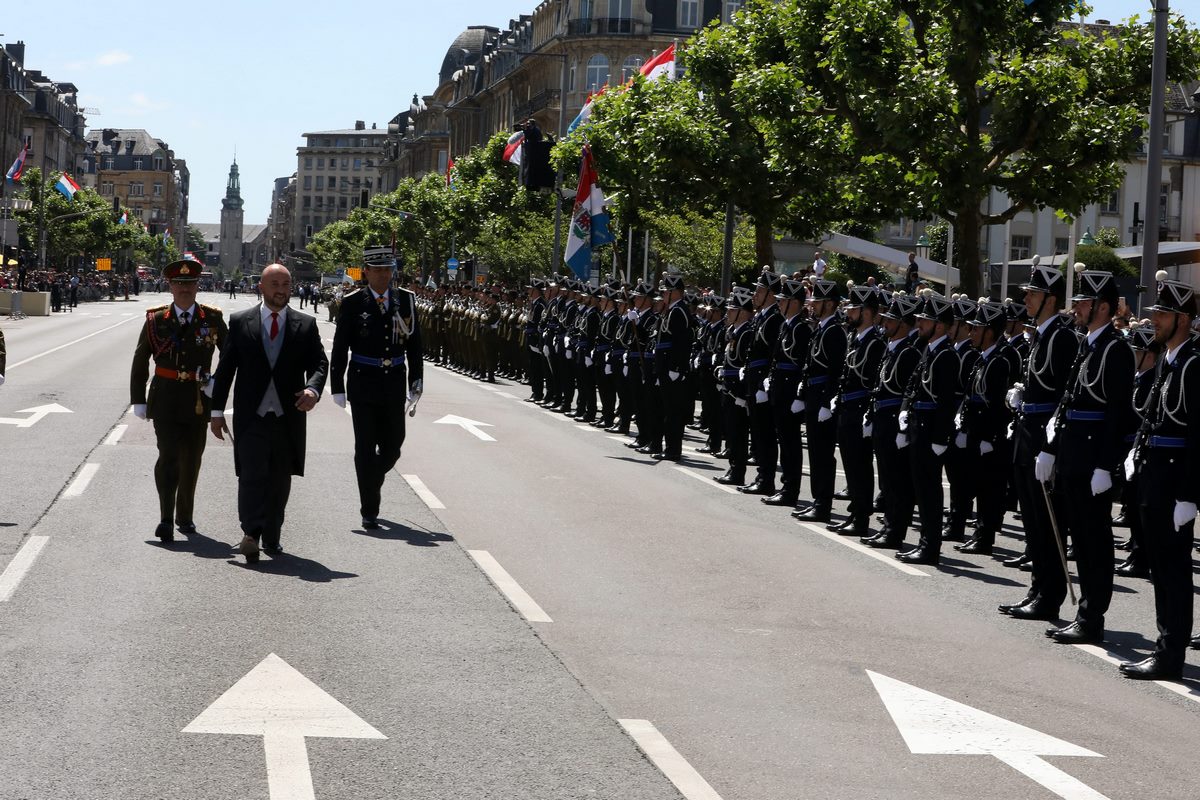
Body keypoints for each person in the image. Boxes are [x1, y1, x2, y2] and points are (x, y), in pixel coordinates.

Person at [1039, 269, 1135, 645]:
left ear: (1103, 307)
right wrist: (1051, 444)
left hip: (1093, 456)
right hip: (1073, 452)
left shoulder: (1115, 348)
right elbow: (1070, 397)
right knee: (1079, 535)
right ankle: (1083, 614)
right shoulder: (1088, 344)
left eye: (1083, 302)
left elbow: (1117, 413)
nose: (1076, 307)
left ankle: (1092, 616)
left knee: (1095, 542)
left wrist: (1105, 465)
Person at [209, 263, 328, 562]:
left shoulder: (305, 324)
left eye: (286, 284)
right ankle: (250, 533)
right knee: (251, 475)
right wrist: (216, 411)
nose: (281, 290)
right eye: (275, 283)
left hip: (288, 416)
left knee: (279, 479)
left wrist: (313, 389)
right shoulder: (240, 322)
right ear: (261, 287)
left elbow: (319, 363)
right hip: (252, 416)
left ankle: (272, 535)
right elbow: (224, 371)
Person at [1119, 279, 1200, 681]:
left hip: (1174, 480)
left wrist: (1189, 494)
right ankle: (1164, 645)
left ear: (1183, 319)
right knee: (1159, 568)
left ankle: (1170, 653)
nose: (1154, 322)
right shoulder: (1167, 360)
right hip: (1154, 471)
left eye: (1163, 315)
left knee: (1173, 570)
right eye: (1153, 315)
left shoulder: (1193, 364)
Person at [998, 262, 1079, 621]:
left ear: (1051, 298)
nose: (1026, 299)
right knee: (1032, 518)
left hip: (1044, 435)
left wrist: (1051, 446)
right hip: (1027, 431)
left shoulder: (1061, 337)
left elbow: (1063, 395)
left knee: (1048, 523)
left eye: (1033, 294)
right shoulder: (1042, 335)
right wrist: (1021, 393)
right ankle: (1037, 588)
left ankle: (1050, 596)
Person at [130, 259, 228, 543]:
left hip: (199, 397)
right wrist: (138, 399)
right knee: (169, 457)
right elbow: (140, 360)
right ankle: (166, 518)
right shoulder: (155, 319)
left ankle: (186, 515)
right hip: (166, 397)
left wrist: (216, 383)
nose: (184, 289)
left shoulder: (211, 318)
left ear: (198, 286)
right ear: (170, 286)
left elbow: (231, 355)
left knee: (192, 459)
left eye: (190, 284)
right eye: (179, 284)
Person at [330, 247, 423, 528]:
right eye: (378, 270)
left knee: (393, 447)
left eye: (388, 270)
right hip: (363, 381)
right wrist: (337, 385)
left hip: (394, 380)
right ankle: (369, 507)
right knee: (366, 447)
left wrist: (416, 382)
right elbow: (340, 346)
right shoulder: (353, 302)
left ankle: (371, 479)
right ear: (366, 272)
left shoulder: (405, 300)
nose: (384, 275)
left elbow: (415, 346)